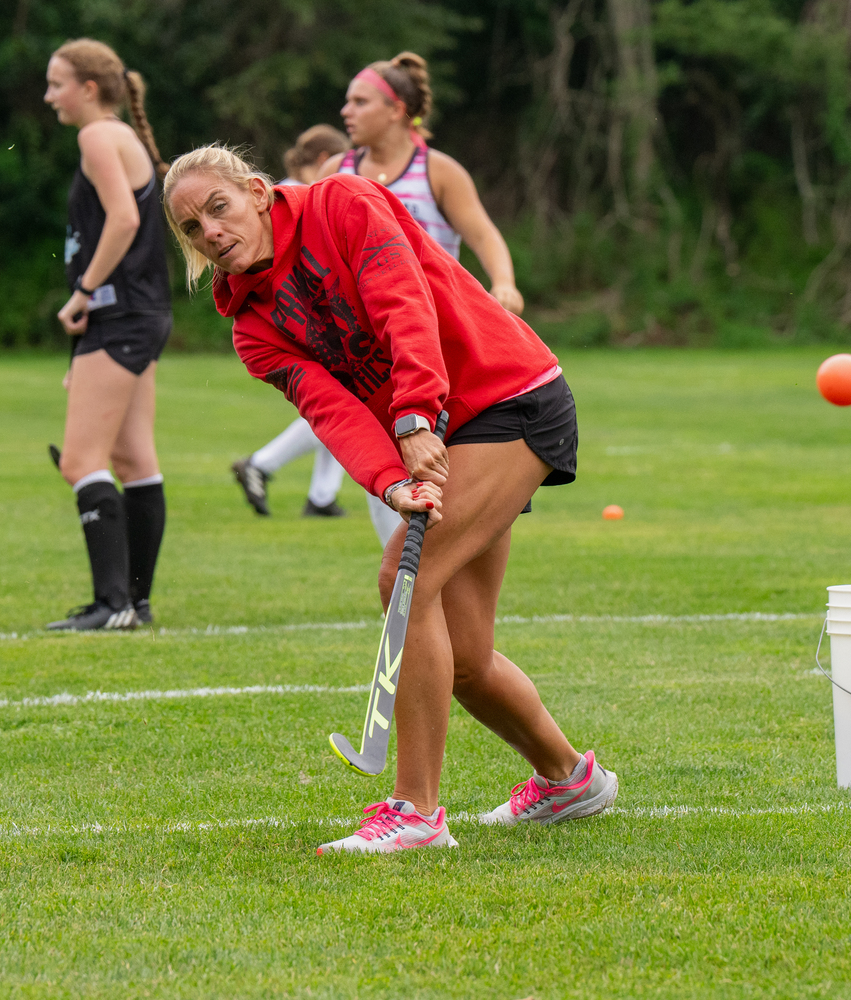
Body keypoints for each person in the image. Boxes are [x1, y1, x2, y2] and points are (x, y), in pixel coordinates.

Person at [163, 145, 618, 853]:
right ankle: (568, 779)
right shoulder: (252, 329)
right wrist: (393, 481)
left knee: (403, 578)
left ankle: (415, 811)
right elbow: (333, 412)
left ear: (255, 192)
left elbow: (404, 306)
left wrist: (413, 415)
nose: (210, 231)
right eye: (191, 228)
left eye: (216, 207)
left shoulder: (345, 203)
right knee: (464, 657)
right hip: (441, 430)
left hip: (508, 397)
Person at [233, 53, 527, 549]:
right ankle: (410, 602)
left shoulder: (437, 169)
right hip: (369, 364)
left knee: (472, 530)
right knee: (402, 527)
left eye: (360, 100)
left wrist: (504, 282)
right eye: (346, 100)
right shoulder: (335, 170)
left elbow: (483, 233)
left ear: (397, 110)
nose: (346, 110)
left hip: (441, 353)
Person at [42, 38, 172, 631]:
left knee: (80, 460)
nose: (50, 98)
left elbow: (123, 218)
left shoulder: (96, 136)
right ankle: (135, 602)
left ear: (88, 89)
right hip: (141, 314)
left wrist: (84, 290)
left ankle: (112, 602)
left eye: (57, 84)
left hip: (119, 314)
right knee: (132, 457)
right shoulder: (123, 135)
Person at [231, 125, 355, 521]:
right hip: (303, 324)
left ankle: (321, 496)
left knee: (349, 402)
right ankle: (263, 464)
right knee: (341, 406)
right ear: (323, 161)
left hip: (311, 321)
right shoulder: (287, 201)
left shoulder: (292, 196)